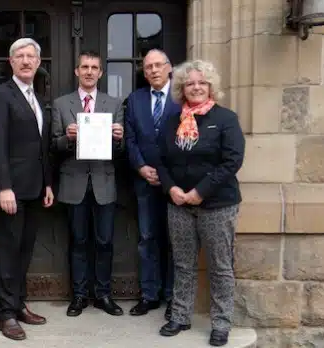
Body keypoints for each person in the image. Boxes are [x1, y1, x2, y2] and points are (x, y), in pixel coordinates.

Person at [154, 59, 245, 347]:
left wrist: (201, 191)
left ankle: (221, 322)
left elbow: (232, 160)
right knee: (183, 264)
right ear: (181, 87)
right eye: (190, 83)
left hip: (217, 205)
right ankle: (180, 316)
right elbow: (161, 160)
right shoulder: (172, 120)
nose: (195, 87)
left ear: (211, 87)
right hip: (178, 203)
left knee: (220, 266)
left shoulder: (226, 119)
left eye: (201, 83)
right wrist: (171, 189)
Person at [0, 37, 55, 341]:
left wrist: (48, 183)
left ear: (39, 63)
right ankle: (6, 314)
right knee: (8, 251)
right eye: (20, 56)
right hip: (11, 191)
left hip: (35, 188)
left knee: (25, 251)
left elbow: (42, 147)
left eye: (32, 57)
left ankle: (19, 303)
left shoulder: (36, 98)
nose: (26, 61)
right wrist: (3, 187)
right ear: (10, 62)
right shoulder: (1, 95)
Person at [51, 50, 125, 317]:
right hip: (74, 183)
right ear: (77, 71)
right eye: (85, 67)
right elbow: (53, 145)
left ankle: (103, 295)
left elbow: (121, 150)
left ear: (101, 73)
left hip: (104, 182)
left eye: (94, 67)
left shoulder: (114, 104)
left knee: (104, 242)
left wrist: (118, 138)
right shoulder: (62, 104)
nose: (89, 71)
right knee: (78, 241)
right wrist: (68, 138)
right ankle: (80, 296)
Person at [124, 49, 178, 319]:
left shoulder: (182, 97)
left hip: (176, 183)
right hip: (145, 181)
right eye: (148, 67)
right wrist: (141, 167)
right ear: (144, 73)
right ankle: (149, 295)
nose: (154, 70)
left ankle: (171, 297)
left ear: (169, 68)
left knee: (174, 241)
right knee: (147, 238)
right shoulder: (135, 100)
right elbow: (130, 139)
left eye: (158, 65)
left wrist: (167, 173)